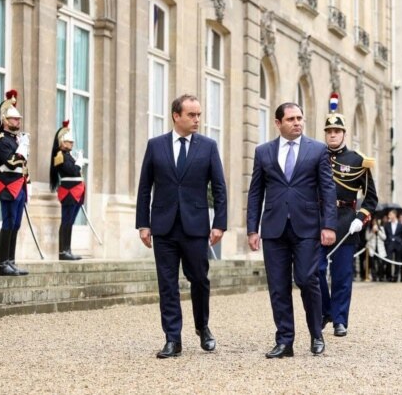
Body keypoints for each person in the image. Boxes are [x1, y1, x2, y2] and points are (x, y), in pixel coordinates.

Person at [136, 94, 227, 358]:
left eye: (199, 115)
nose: (197, 119)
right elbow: (145, 187)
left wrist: (219, 224)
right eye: (192, 115)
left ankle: (202, 326)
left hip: (195, 226)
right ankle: (172, 339)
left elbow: (219, 188)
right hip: (163, 226)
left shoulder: (208, 147)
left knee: (199, 279)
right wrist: (143, 224)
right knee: (167, 284)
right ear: (176, 116)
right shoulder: (155, 146)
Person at [246, 102, 336, 358]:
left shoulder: (317, 150)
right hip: (273, 228)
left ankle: (316, 334)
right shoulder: (263, 152)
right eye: (291, 119)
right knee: (278, 286)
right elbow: (255, 193)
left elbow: (328, 189)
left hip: (307, 227)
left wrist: (329, 225)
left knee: (307, 279)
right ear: (278, 123)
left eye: (299, 118)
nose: (297, 122)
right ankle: (285, 341)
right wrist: (252, 229)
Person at [317, 113, 377, 337]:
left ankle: (340, 320)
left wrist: (360, 218)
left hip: (345, 220)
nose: (333, 135)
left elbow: (371, 198)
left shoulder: (357, 160)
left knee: (342, 274)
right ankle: (325, 311)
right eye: (329, 132)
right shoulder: (316, 155)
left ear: (344, 134)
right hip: (319, 219)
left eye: (337, 131)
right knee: (315, 270)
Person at [0, 90, 29, 277]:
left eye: (18, 119)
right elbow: (11, 162)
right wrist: (22, 149)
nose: (18, 122)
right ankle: (2, 263)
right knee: (8, 223)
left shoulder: (15, 139)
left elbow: (23, 164)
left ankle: (11, 261)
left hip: (19, 185)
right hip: (7, 185)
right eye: (14, 119)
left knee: (16, 224)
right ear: (5, 120)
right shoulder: (1, 139)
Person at [50, 120, 86, 261]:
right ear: (62, 142)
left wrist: (77, 161)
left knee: (70, 221)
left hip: (76, 191)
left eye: (72, 142)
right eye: (69, 142)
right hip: (69, 192)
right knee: (66, 221)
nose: (72, 144)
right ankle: (63, 251)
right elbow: (71, 171)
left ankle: (68, 249)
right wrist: (79, 163)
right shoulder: (60, 155)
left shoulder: (69, 156)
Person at [383, 210, 402, 282]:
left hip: (398, 245)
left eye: (390, 214)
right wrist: (387, 243)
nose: (389, 216)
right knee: (389, 260)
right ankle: (389, 276)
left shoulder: (401, 225)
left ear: (394, 215)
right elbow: (385, 235)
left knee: (397, 261)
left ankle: (396, 276)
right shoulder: (387, 225)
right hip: (389, 244)